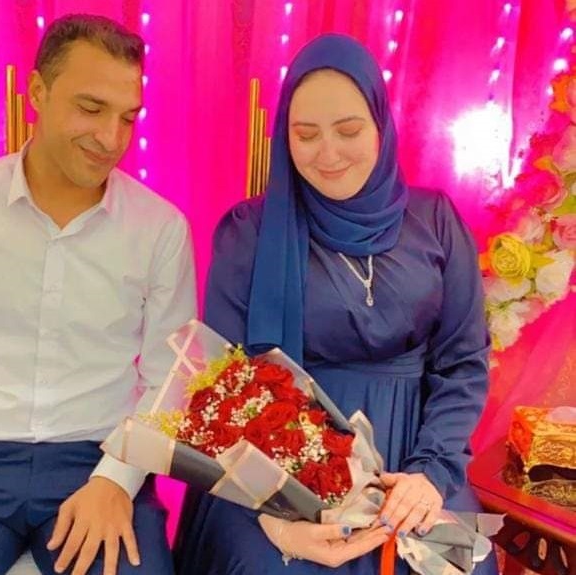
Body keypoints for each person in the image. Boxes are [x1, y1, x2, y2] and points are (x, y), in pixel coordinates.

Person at [175, 34, 497, 574]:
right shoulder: (248, 233)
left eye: (348, 131)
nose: (328, 154)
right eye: (306, 134)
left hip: (414, 457)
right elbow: (224, 381)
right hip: (277, 467)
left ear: (380, 126)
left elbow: (462, 363)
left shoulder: (437, 222)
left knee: (461, 566)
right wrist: (279, 518)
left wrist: (430, 474)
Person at [0, 13, 196, 575]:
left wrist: (117, 481)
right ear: (37, 91)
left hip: (98, 458)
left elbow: (170, 379)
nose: (112, 139)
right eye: (91, 108)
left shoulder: (160, 228)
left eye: (127, 117)